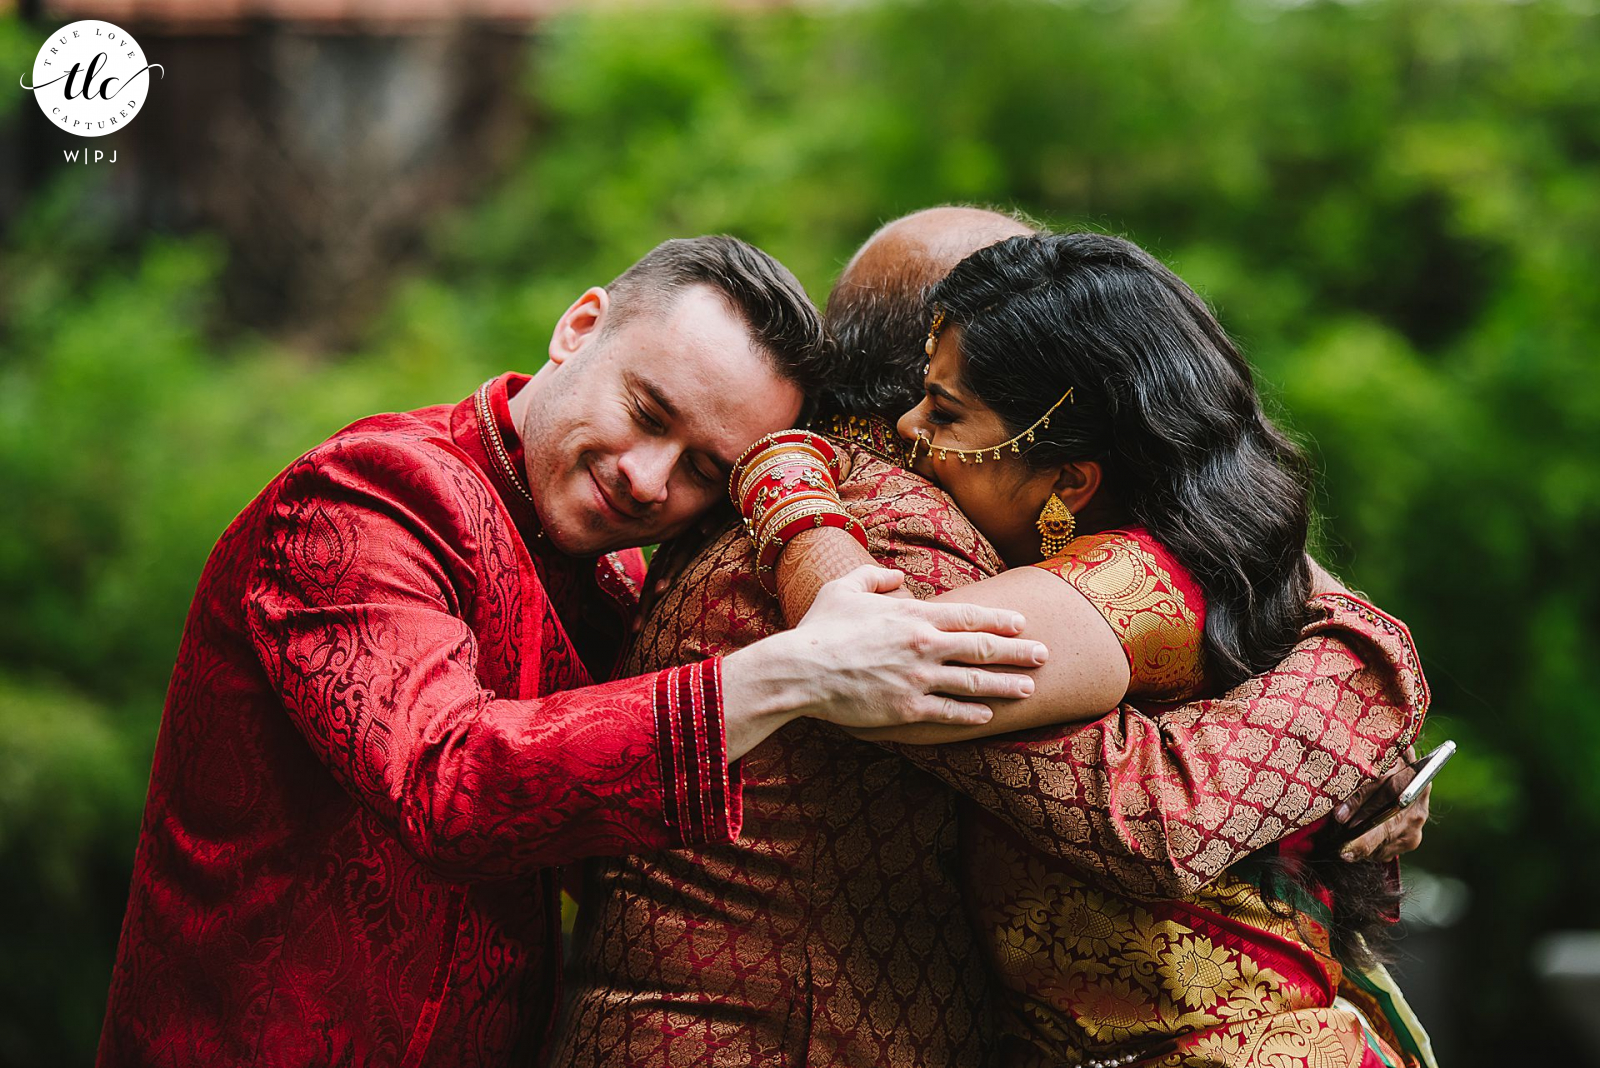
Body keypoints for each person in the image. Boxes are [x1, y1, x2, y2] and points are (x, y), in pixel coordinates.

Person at [94, 236, 1047, 1068]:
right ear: (578, 326)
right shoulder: (365, 495)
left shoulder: (610, 581)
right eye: (647, 410)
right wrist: (792, 670)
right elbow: (447, 781)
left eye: (704, 471)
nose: (645, 478)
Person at [553, 211, 1431, 1068]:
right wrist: (1365, 667)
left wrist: (1350, 709)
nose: (916, 430)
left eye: (947, 409)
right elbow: (1150, 810)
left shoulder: (882, 504)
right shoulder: (900, 526)